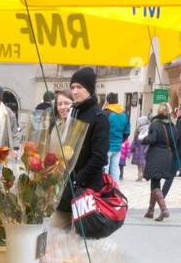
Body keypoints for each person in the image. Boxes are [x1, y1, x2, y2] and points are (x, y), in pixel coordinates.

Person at [51, 66, 109, 231]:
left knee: (80, 240)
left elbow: (99, 158)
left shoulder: (99, 117)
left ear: (89, 89)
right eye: (73, 87)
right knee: (55, 234)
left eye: (79, 87)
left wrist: (78, 180)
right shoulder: (74, 112)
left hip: (86, 187)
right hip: (67, 185)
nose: (75, 91)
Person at [143, 103, 178, 221]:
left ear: (159, 111)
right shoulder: (172, 126)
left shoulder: (155, 124)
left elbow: (152, 139)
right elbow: (174, 142)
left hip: (155, 155)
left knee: (155, 183)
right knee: (155, 182)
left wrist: (143, 139)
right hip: (167, 156)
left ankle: (164, 209)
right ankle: (150, 211)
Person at [105, 92, 130, 182]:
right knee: (115, 170)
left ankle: (105, 189)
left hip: (106, 146)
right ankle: (115, 189)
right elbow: (127, 132)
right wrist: (121, 141)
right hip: (118, 146)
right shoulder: (124, 114)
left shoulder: (106, 113)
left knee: (105, 170)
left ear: (108, 102)